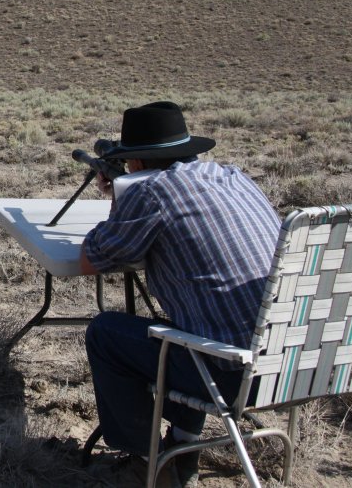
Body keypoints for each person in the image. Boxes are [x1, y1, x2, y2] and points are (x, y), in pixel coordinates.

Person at [80, 101, 280, 487]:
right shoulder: (233, 177)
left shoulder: (150, 192)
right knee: (189, 331)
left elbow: (93, 258)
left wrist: (120, 200)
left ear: (135, 164)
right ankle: (183, 447)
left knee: (107, 334)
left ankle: (147, 462)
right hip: (298, 364)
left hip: (234, 373)